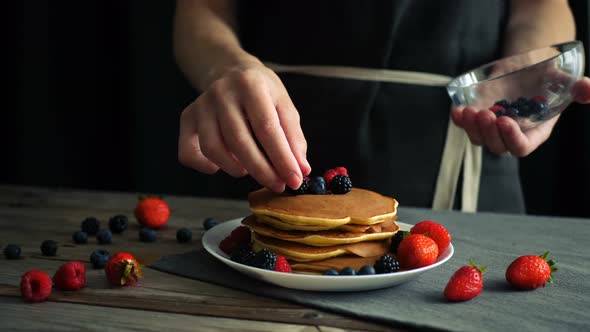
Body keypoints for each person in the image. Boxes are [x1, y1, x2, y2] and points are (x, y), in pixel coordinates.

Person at [174, 0, 590, 213]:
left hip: (469, 144)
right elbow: (202, 9)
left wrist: (528, 72)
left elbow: (542, 5)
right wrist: (226, 68)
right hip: (267, 141)